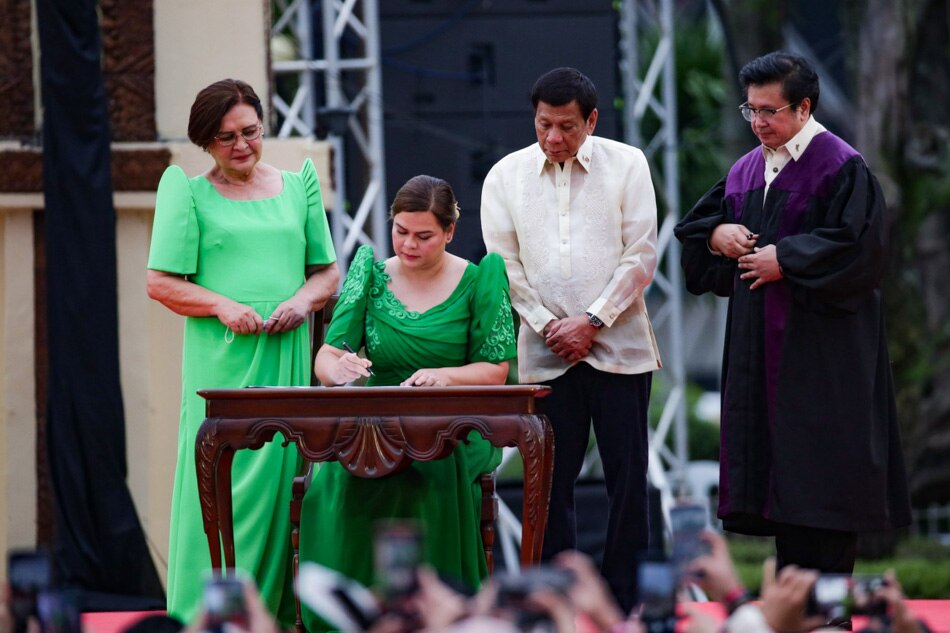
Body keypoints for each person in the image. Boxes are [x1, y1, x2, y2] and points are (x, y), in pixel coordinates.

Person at [673, 51, 911, 578]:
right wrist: (718, 236)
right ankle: (793, 610)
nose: (758, 122)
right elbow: (695, 239)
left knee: (822, 485)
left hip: (823, 361)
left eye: (770, 111)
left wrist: (788, 257)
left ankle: (828, 615)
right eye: (751, 110)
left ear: (803, 108)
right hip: (761, 358)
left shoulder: (841, 166)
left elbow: (863, 254)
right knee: (779, 490)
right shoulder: (745, 171)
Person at [146, 79, 339, 625]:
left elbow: (326, 271)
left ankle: (272, 617)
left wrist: (303, 302)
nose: (241, 145)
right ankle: (206, 617)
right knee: (220, 487)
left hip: (286, 354)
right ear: (207, 142)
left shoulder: (298, 184)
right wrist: (221, 305)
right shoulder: (186, 192)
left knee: (284, 488)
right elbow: (161, 282)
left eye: (250, 132)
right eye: (226, 137)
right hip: (222, 366)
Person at [297, 175, 517, 630]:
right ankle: (344, 616)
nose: (408, 245)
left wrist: (445, 376)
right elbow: (329, 353)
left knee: (424, 477)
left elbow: (495, 371)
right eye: (400, 231)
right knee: (341, 480)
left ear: (450, 232)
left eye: (423, 236)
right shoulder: (371, 273)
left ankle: (429, 616)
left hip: (446, 427)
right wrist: (336, 369)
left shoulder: (480, 280)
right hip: (371, 426)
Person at [480, 67, 661, 612]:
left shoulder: (628, 163)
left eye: (566, 126)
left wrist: (593, 320)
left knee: (628, 485)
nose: (553, 137)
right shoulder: (505, 175)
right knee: (547, 489)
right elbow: (501, 263)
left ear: (592, 120)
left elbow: (642, 255)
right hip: (544, 353)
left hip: (622, 349)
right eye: (543, 125)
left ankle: (625, 604)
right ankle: (553, 604)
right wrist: (547, 325)